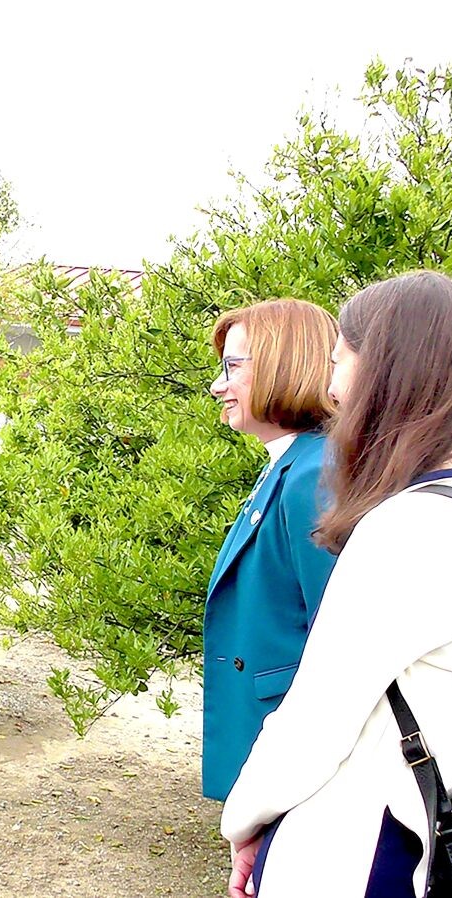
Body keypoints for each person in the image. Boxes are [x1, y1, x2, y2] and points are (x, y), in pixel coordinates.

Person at [222, 271, 452, 898]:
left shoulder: (413, 527)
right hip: (438, 831)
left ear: (384, 374)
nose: (330, 390)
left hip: (370, 847)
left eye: (339, 362)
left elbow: (317, 717)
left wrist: (244, 818)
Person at [203, 298, 340, 802]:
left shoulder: (315, 475)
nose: (219, 386)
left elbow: (336, 646)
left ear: (285, 364)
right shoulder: (294, 464)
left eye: (232, 366)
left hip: (297, 765)